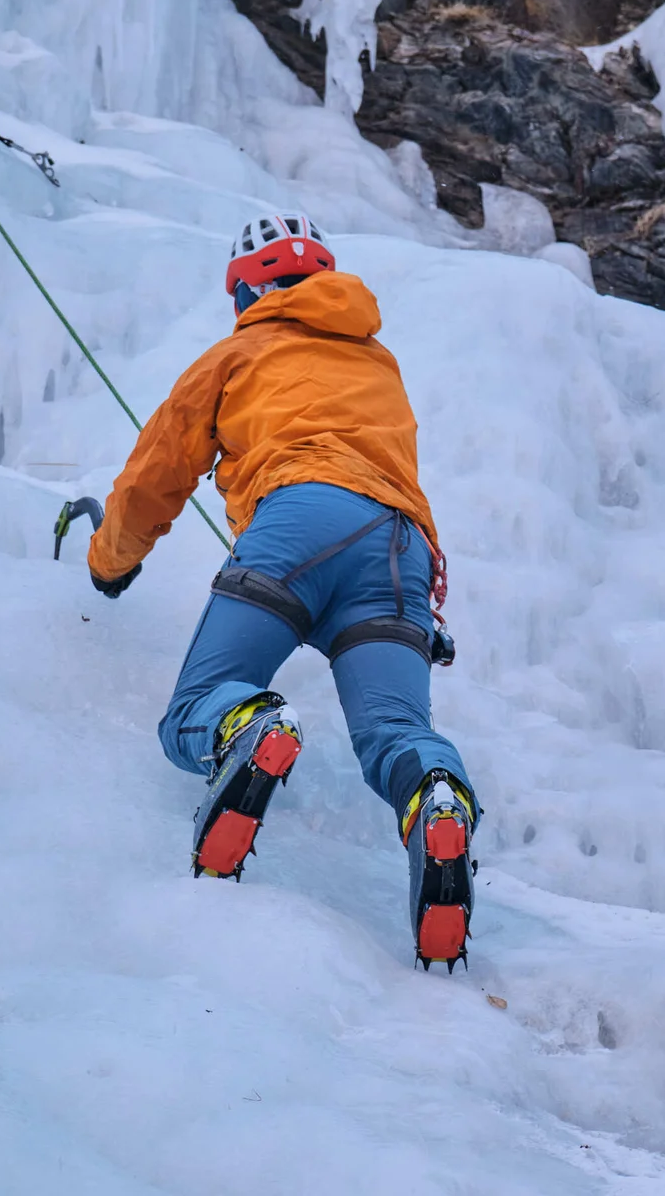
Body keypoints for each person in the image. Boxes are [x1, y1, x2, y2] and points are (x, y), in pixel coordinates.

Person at [85, 213, 478, 970]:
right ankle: (438, 797)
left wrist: (110, 565)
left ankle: (248, 726)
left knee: (196, 711)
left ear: (247, 293)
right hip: (400, 553)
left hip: (300, 519)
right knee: (396, 732)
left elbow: (153, 478)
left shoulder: (238, 352)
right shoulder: (379, 361)